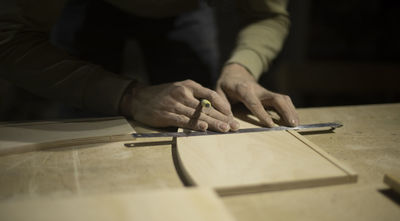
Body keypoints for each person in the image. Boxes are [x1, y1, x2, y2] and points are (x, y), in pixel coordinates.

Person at [0, 0, 299, 132]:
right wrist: (129, 96)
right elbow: (9, 39)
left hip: (186, 10)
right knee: (87, 125)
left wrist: (241, 68)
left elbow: (267, 15)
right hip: (89, 6)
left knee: (202, 120)